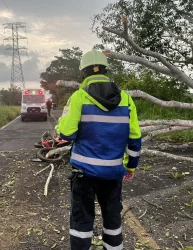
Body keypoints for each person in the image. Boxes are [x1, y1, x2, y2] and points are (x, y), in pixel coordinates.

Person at [55, 50, 142, 250]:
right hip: (113, 174)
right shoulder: (126, 99)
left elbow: (66, 134)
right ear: (105, 70)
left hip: (84, 174)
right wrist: (131, 167)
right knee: (112, 220)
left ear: (84, 73)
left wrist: (60, 124)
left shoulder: (79, 97)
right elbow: (135, 139)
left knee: (81, 221)